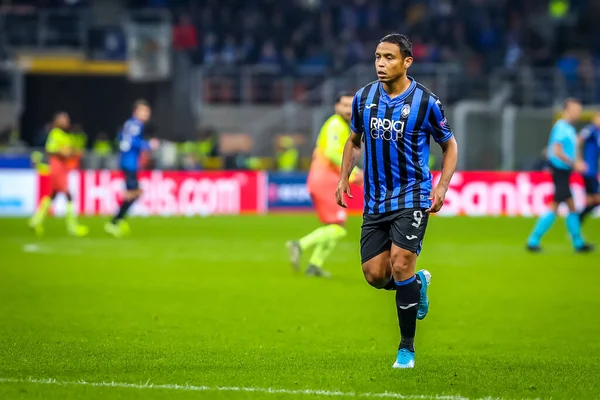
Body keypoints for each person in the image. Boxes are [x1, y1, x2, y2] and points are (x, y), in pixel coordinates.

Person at [335, 34, 458, 369]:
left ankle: (406, 349)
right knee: (375, 274)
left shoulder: (425, 102)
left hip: (413, 195)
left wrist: (442, 186)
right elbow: (354, 140)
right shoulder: (363, 98)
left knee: (401, 262)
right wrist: (344, 176)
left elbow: (449, 145)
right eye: (377, 56)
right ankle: (417, 285)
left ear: (407, 62)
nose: (380, 63)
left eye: (389, 57)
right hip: (376, 200)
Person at [286, 92, 363, 277]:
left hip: (326, 179)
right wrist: (354, 171)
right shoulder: (336, 125)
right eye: (344, 105)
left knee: (335, 226)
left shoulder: (344, 127)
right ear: (337, 107)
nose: (348, 110)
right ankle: (299, 245)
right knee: (337, 228)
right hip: (325, 180)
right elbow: (330, 152)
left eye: (351, 106)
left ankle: (314, 265)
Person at [526, 98, 593, 252]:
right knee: (558, 206)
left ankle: (577, 242)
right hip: (560, 171)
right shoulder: (562, 127)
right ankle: (534, 240)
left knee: (569, 205)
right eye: (576, 109)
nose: (578, 113)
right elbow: (556, 151)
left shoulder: (568, 128)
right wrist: (573, 163)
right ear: (567, 110)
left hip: (564, 171)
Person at [29, 112, 88, 237]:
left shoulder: (64, 135)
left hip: (62, 168)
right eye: (63, 119)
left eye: (66, 119)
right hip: (57, 168)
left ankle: (35, 221)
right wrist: (67, 152)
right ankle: (72, 226)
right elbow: (51, 149)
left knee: (53, 195)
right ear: (57, 121)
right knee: (68, 195)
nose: (66, 122)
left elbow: (69, 151)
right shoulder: (55, 134)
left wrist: (74, 152)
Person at [105, 100, 158, 237]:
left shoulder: (129, 124)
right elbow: (132, 142)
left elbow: (121, 139)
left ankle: (119, 219)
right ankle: (115, 222)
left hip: (128, 162)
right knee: (134, 193)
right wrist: (148, 145)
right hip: (130, 163)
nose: (147, 114)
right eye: (144, 111)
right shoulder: (135, 125)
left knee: (135, 192)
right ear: (136, 111)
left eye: (148, 111)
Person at [578, 111, 600, 224]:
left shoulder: (597, 133)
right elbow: (578, 140)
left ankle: (576, 224)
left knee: (592, 201)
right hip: (588, 170)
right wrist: (579, 160)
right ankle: (576, 221)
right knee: (596, 200)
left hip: (593, 171)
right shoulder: (590, 130)